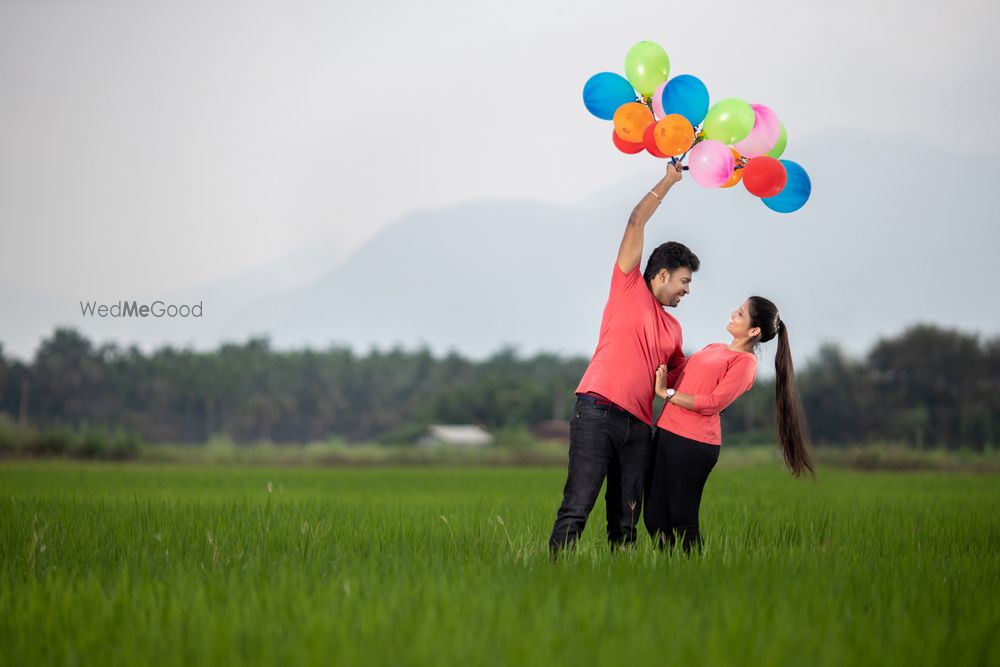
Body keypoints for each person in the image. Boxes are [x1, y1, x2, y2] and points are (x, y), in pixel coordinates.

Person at [548, 160, 698, 554]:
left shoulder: (674, 331)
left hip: (638, 430)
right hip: (596, 413)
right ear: (661, 274)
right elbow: (635, 222)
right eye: (684, 282)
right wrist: (668, 180)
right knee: (577, 507)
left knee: (626, 522)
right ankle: (552, 580)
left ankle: (622, 590)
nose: (687, 291)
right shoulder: (628, 285)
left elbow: (686, 383)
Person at [643, 295, 815, 554]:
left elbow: (713, 403)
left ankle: (694, 577)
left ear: (754, 330)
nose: (734, 312)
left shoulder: (745, 363)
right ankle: (668, 572)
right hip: (666, 432)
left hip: (694, 443)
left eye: (741, 313)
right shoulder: (714, 348)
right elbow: (680, 377)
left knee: (682, 519)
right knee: (654, 517)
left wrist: (666, 393)